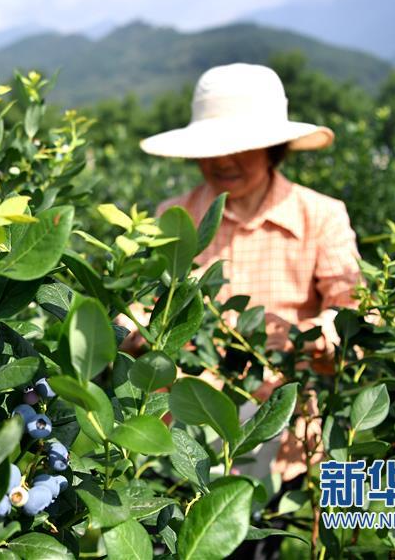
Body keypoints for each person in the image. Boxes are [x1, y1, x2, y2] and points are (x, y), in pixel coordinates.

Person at [118, 63, 363, 484]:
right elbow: (148, 302)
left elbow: (355, 314)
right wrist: (131, 326)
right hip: (181, 432)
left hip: (279, 426)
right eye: (212, 147)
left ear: (273, 148)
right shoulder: (174, 218)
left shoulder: (321, 217)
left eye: (240, 146)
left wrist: (311, 338)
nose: (223, 160)